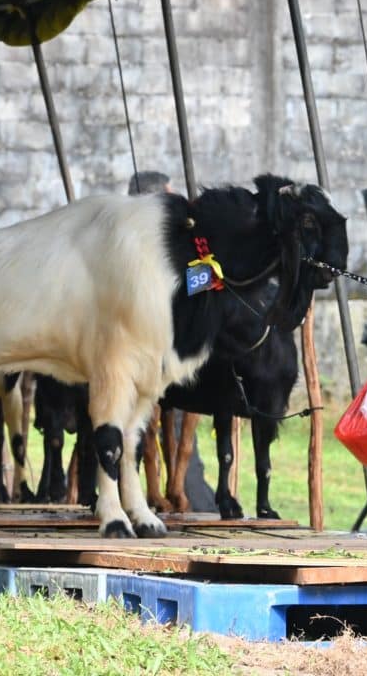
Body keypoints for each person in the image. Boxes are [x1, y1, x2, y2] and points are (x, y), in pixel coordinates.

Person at [126, 171, 217, 513]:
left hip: (164, 353)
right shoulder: (143, 241)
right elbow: (174, 285)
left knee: (179, 448)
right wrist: (211, 272)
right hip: (151, 354)